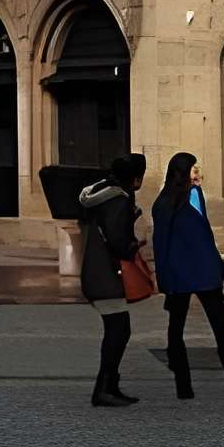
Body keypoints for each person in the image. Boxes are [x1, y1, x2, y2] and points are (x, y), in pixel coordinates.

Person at [149, 153, 224, 401]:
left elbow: (205, 236)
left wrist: (218, 268)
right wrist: (165, 281)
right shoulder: (164, 204)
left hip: (205, 272)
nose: (198, 174)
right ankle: (183, 386)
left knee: (222, 331)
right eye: (193, 169)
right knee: (176, 332)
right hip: (180, 275)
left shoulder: (196, 195)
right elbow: (161, 245)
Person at [77, 153, 146, 408]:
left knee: (117, 329)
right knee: (119, 330)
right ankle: (104, 388)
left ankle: (109, 385)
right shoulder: (117, 200)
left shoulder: (98, 195)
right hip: (106, 273)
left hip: (95, 269)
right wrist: (133, 246)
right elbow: (117, 240)